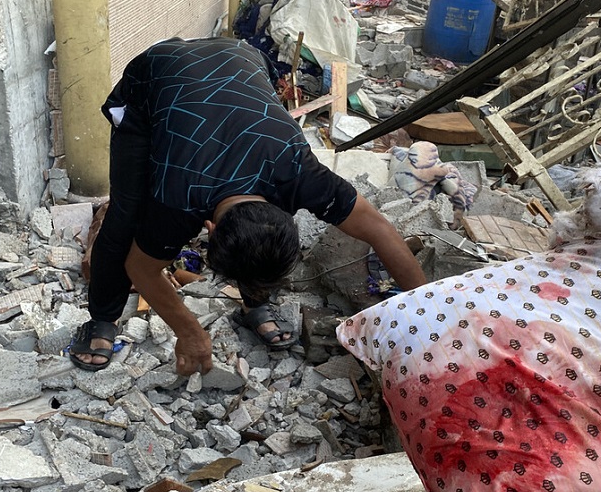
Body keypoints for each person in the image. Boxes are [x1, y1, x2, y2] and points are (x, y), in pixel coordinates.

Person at [69, 37, 427, 375]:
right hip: (155, 75)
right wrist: (189, 331)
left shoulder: (300, 172)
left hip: (242, 59)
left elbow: (379, 230)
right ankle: (102, 319)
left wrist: (428, 316)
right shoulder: (178, 198)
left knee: (261, 251)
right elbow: (141, 267)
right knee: (125, 216)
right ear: (208, 229)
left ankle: (255, 304)